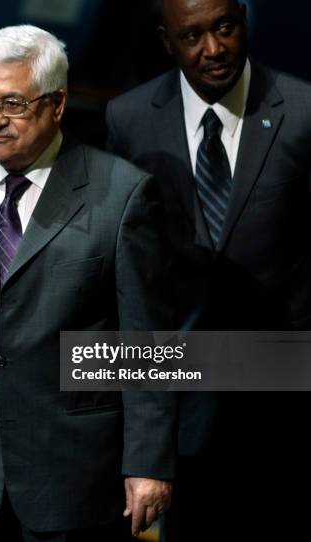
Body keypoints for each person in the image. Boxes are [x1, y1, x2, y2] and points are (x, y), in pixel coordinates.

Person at [0, 24, 177, 542]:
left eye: (13, 104)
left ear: (57, 103)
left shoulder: (124, 195)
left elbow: (147, 347)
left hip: (76, 484)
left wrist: (148, 463)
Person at [105, 0, 311, 539]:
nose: (214, 49)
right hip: (181, 389)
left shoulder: (305, 112)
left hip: (283, 395)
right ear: (166, 40)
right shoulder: (127, 119)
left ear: (245, 22)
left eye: (225, 27)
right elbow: (125, 262)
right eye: (193, 36)